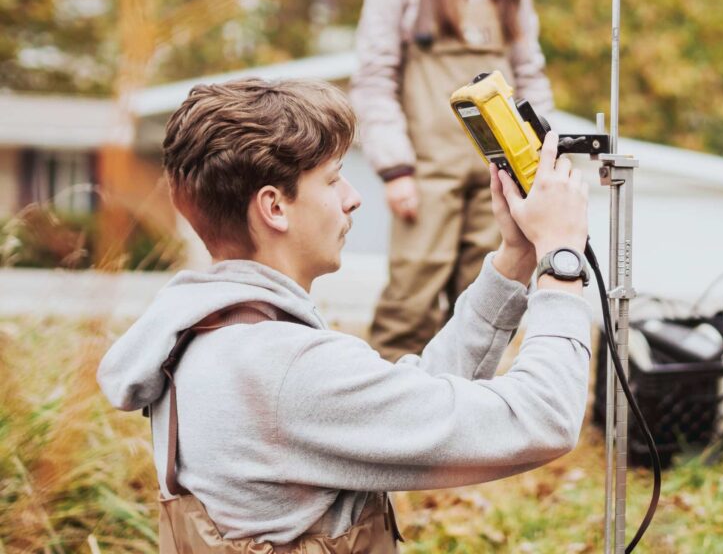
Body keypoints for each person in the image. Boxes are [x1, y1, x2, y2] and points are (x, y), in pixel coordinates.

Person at [97, 78, 591, 549]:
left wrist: (515, 258)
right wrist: (560, 260)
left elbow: (404, 407)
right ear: (274, 207)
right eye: (333, 180)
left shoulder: (207, 336)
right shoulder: (285, 368)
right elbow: (542, 418)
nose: (353, 198)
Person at [350, 0, 554, 361]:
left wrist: (539, 160)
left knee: (486, 300)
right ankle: (384, 427)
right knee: (410, 301)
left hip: (498, 173)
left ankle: (468, 429)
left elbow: (530, 76)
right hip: (425, 173)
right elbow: (374, 78)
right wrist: (395, 168)